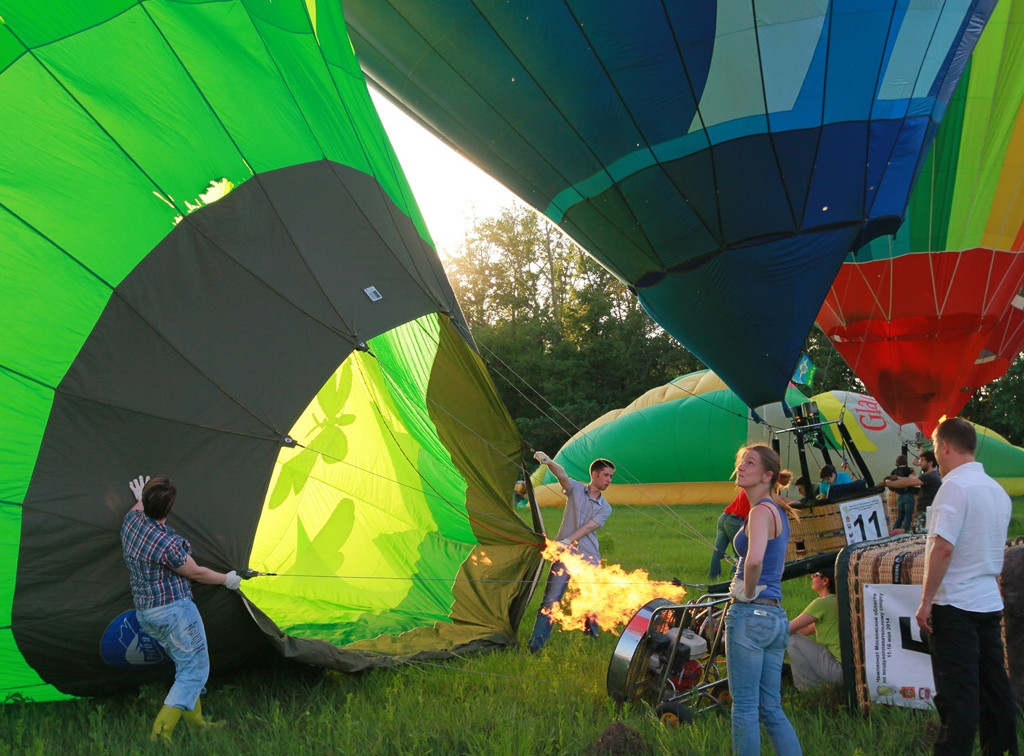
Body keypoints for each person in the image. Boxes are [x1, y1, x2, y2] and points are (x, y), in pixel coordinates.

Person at [915, 417, 1017, 755]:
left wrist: (926, 600)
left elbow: (943, 547)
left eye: (933, 448)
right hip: (987, 601)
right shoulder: (997, 491)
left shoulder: (954, 488)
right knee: (995, 690)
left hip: (954, 604)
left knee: (958, 698)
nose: (935, 456)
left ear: (944, 446)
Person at [121, 475, 242, 742]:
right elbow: (196, 572)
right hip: (174, 613)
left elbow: (138, 509)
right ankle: (160, 735)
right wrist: (227, 579)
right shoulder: (168, 544)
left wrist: (141, 498)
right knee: (194, 670)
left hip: (147, 613)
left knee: (187, 665)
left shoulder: (131, 522)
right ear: (168, 509)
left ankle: (197, 723)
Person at [726, 445, 802, 755]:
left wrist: (748, 590)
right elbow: (778, 566)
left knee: (744, 708)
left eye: (751, 463)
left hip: (750, 617)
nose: (742, 468)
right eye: (741, 462)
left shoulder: (759, 512)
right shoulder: (777, 510)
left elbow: (754, 560)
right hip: (776, 619)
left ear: (768, 475)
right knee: (771, 708)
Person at [527, 452, 614, 652]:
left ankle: (591, 642)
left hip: (589, 559)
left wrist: (566, 540)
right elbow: (562, 475)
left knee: (591, 602)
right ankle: (535, 646)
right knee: (551, 600)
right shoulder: (575, 489)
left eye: (611, 477)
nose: (609, 480)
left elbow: (588, 528)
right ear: (595, 474)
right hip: (564, 557)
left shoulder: (605, 507)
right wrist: (548, 461)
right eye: (606, 475)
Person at [787, 567, 842, 691]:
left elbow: (787, 629)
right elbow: (806, 630)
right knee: (794, 636)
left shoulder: (822, 603)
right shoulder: (838, 601)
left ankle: (808, 690)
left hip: (837, 670)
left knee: (791, 639)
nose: (812, 577)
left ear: (825, 581)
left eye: (815, 575)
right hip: (847, 672)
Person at [885, 450, 941, 533]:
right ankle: (903, 531)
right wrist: (898, 478)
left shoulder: (931, 476)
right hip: (925, 512)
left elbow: (908, 482)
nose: (920, 463)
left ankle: (904, 531)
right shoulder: (929, 475)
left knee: (919, 533)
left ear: (930, 462)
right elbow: (911, 479)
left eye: (922, 460)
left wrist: (888, 483)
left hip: (927, 513)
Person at [708, 490, 749, 581]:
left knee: (717, 552)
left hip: (724, 517)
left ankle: (712, 578)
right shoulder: (758, 489)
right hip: (735, 521)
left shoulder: (747, 486)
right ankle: (733, 579)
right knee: (741, 553)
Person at [886, 454, 917, 532]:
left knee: (900, 516)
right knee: (908, 516)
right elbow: (912, 479)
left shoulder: (894, 471)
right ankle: (905, 532)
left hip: (899, 496)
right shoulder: (908, 470)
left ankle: (894, 531)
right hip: (908, 495)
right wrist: (914, 472)